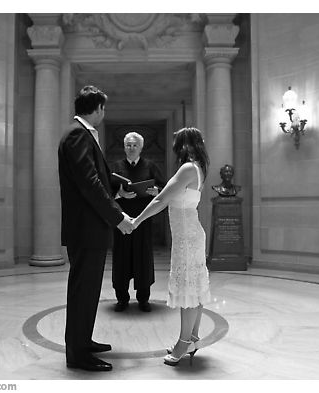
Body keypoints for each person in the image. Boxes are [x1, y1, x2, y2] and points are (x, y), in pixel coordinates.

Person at [58, 85, 134, 372]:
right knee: (83, 291)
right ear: (98, 108)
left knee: (87, 291)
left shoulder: (79, 133)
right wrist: (118, 217)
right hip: (87, 229)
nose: (105, 113)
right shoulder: (78, 134)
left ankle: (83, 341)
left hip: (88, 228)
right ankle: (77, 354)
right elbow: (88, 184)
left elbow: (95, 180)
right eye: (104, 108)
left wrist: (118, 189)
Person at [131, 127, 211, 366]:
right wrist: (162, 192)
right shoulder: (197, 167)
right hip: (190, 235)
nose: (174, 147)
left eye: (177, 143)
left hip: (187, 237)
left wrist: (136, 220)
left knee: (188, 290)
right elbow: (173, 194)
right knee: (194, 288)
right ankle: (193, 338)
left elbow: (161, 200)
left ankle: (183, 343)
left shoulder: (187, 168)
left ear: (184, 144)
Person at [110, 132, 166, 313]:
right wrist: (120, 195)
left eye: (135, 145)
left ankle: (143, 299)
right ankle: (122, 299)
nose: (131, 148)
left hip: (143, 221)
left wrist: (155, 191)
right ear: (124, 147)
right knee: (121, 259)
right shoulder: (116, 167)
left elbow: (164, 189)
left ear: (141, 147)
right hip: (122, 221)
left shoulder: (150, 166)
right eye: (128, 145)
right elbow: (106, 193)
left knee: (143, 258)